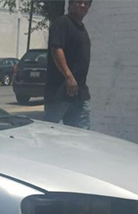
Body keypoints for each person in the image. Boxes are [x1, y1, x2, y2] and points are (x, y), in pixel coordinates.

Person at [43, 0, 92, 129]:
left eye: (86, 3)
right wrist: (68, 76)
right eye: (79, 2)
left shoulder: (81, 28)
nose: (82, 5)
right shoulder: (62, 23)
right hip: (60, 92)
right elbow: (56, 49)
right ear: (70, 4)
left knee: (82, 134)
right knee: (50, 130)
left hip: (79, 94)